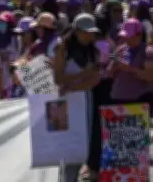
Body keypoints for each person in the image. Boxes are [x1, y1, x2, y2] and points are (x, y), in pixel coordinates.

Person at [51, 13, 102, 182]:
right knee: (64, 145)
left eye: (91, 32)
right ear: (76, 31)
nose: (89, 36)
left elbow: (94, 79)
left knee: (82, 145)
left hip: (84, 100)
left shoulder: (93, 52)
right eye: (85, 32)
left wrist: (74, 85)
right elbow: (57, 79)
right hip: (62, 103)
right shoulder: (62, 49)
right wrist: (82, 75)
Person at [110, 18, 153, 108]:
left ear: (139, 35)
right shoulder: (120, 49)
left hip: (140, 100)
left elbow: (152, 77)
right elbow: (108, 73)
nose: (126, 39)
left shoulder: (148, 52)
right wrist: (113, 67)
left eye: (129, 36)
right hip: (118, 98)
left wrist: (129, 69)